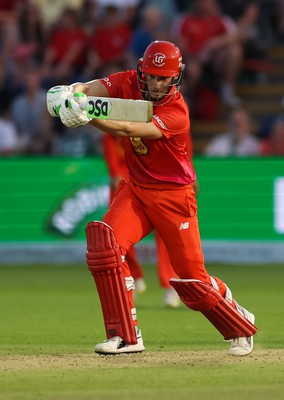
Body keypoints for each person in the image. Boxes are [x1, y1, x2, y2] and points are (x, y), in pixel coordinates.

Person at [47, 40, 257, 356]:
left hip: (174, 197)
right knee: (106, 250)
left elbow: (129, 128)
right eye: (152, 76)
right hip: (136, 188)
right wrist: (68, 92)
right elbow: (90, 89)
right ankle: (126, 337)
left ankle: (240, 325)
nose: (157, 83)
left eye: (164, 77)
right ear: (142, 70)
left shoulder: (177, 112)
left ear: (177, 77)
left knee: (193, 282)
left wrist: (87, 115)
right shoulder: (129, 80)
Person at [103, 133, 180, 307]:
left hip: (158, 174)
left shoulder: (164, 110)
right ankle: (132, 276)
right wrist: (114, 171)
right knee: (113, 232)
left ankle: (170, 285)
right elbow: (110, 136)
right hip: (126, 174)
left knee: (165, 232)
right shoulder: (122, 109)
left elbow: (179, 139)